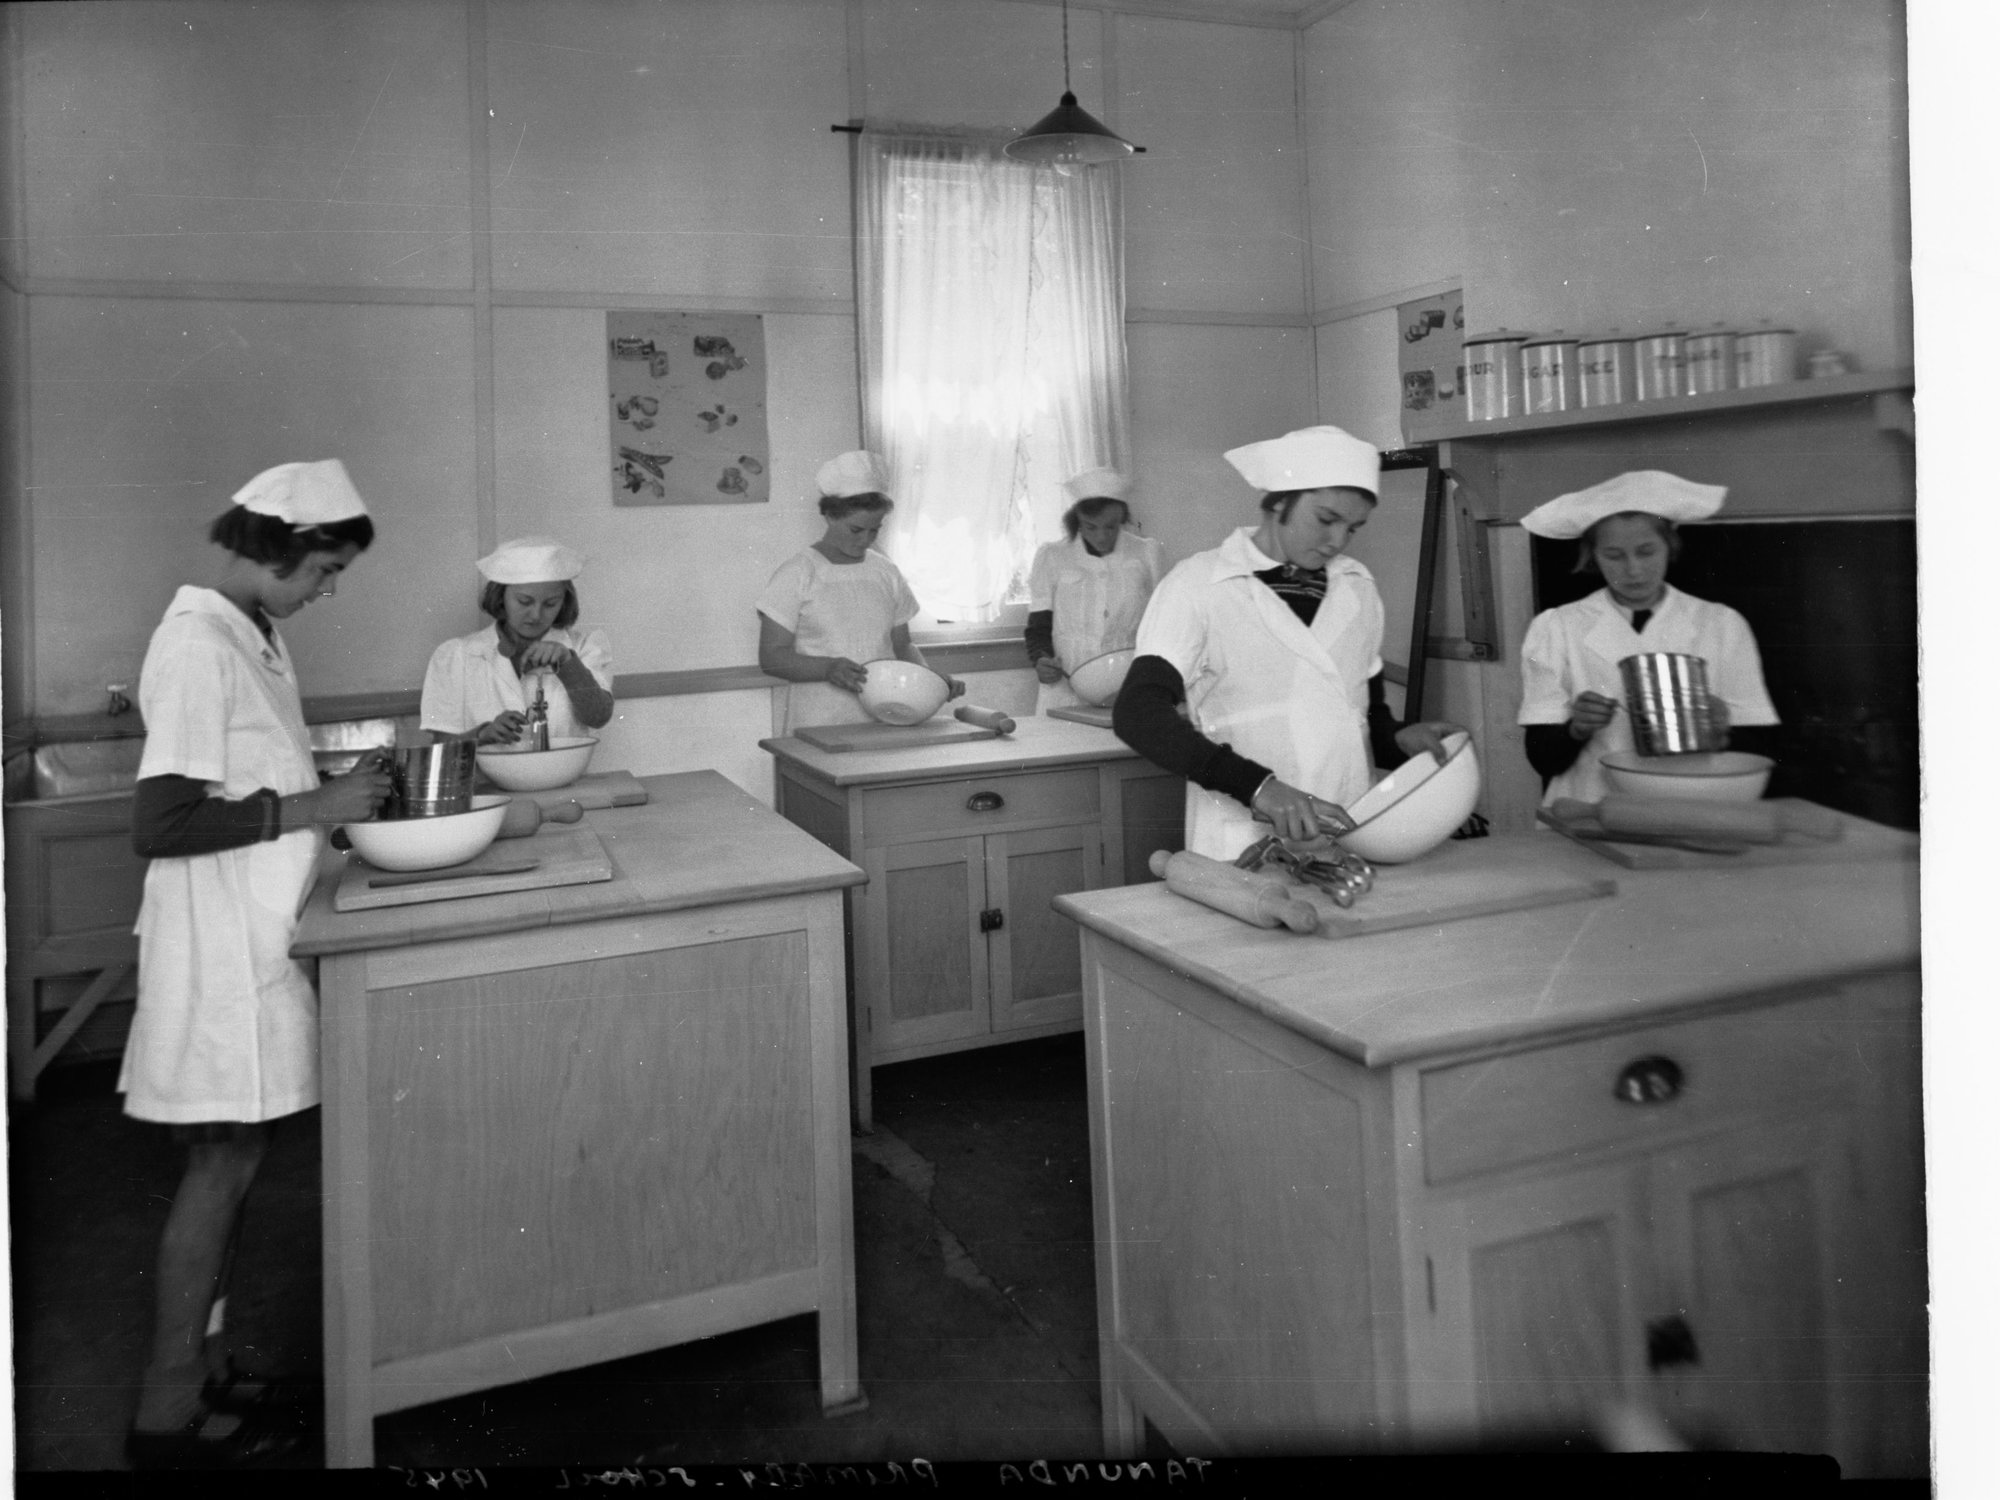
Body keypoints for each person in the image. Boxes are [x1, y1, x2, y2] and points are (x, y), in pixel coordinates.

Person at [122, 460, 392, 1467]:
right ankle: (164, 1410)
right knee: (219, 1166)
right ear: (275, 549)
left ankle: (211, 1366)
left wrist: (326, 786)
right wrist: (316, 808)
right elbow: (162, 819)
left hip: (256, 940)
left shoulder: (254, 635)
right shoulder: (195, 644)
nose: (329, 588)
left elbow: (249, 776)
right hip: (217, 954)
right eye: (323, 568)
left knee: (237, 1166)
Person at [1113, 425, 1466, 862]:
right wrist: (1260, 788)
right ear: (1279, 500)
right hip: (1243, 848)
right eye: (1326, 519)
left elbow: (1365, 718)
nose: (1338, 541)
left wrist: (1398, 740)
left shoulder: (1357, 587)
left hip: (1349, 833)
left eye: (1353, 528)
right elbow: (1137, 714)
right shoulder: (1198, 585)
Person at [1516, 470, 1780, 804]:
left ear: (1669, 546)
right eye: (1613, 555)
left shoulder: (1721, 624)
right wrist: (1576, 729)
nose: (1634, 570)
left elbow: (1762, 748)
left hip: (1693, 804)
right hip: (1591, 804)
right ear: (1592, 556)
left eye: (1646, 551)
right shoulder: (1557, 627)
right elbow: (1543, 760)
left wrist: (1722, 730)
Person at [756, 450, 963, 733]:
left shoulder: (886, 572)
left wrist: (929, 681)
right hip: (818, 721)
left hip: (885, 719)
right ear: (830, 516)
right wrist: (828, 668)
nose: (865, 540)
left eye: (874, 530)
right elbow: (772, 658)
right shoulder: (799, 573)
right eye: (856, 529)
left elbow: (902, 646)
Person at [420, 536, 615, 745]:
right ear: (500, 595)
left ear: (564, 601)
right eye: (524, 601)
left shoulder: (585, 647)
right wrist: (482, 735)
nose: (536, 615)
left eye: (550, 603)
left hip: (562, 776)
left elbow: (598, 717)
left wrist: (568, 663)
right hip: (481, 778)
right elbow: (441, 745)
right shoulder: (455, 655)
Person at [1025, 467, 1165, 714]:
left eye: (1110, 527)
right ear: (1077, 520)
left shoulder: (1147, 553)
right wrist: (1041, 659)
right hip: (1065, 688)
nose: (1101, 536)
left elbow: (1161, 624)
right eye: (1090, 527)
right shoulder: (1053, 556)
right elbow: (1038, 625)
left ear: (1123, 518)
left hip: (1127, 685)